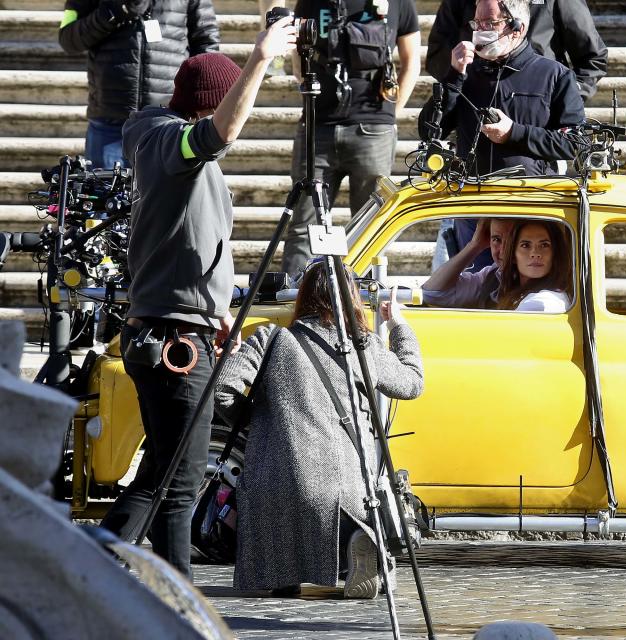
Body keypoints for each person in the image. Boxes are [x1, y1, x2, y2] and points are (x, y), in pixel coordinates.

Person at [99, 20, 298, 578]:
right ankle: (178, 604)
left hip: (166, 329)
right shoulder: (174, 148)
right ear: (207, 106)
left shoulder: (153, 133)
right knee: (181, 487)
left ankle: (93, 572)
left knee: (157, 478)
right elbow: (220, 133)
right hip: (174, 343)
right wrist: (259, 60)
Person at [215, 264, 424, 598]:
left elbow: (222, 389)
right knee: (352, 519)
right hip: (342, 492)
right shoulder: (361, 346)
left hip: (273, 487)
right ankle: (362, 547)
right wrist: (399, 326)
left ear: (302, 296)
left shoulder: (269, 339)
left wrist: (264, 425)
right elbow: (413, 383)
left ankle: (281, 577)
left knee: (271, 563)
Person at [418, 0, 585, 272]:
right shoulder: (464, 73)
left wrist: (514, 133)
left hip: (529, 211)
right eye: (477, 23)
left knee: (522, 301)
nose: (480, 30)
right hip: (475, 212)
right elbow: (428, 130)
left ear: (517, 28)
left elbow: (576, 143)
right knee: (476, 300)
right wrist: (452, 78)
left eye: (490, 24)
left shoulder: (554, 75)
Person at [280, 0, 421, 278]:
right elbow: (299, 56)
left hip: (369, 127)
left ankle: (360, 305)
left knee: (367, 226)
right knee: (305, 225)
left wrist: (392, 112)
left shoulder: (398, 3)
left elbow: (411, 61)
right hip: (318, 126)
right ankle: (297, 298)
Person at [58, 0, 220, 169]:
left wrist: (199, 102)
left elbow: (206, 43)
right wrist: (114, 11)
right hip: (110, 121)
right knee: (103, 193)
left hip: (168, 121)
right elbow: (67, 39)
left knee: (164, 195)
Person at [426, 0, 608, 102]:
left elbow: (592, 57)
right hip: (477, 112)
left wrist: (566, 97)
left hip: (538, 111)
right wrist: (460, 83)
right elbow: (437, 53)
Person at [422, 218, 516, 309]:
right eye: (497, 239)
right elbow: (432, 293)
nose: (503, 251)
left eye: (513, 240)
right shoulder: (494, 276)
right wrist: (475, 245)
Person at [496, 219, 571, 312]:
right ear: (513, 256)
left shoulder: (544, 302)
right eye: (525, 245)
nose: (535, 253)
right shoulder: (516, 293)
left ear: (555, 254)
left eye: (544, 245)